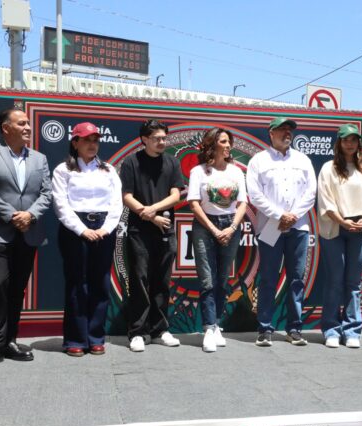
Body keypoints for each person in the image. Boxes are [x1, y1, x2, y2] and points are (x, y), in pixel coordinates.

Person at [0, 108, 52, 370]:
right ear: (6, 128)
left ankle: (10, 341)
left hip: (29, 231)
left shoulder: (39, 158)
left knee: (17, 288)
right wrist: (12, 215)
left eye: (28, 123)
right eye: (21, 123)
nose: (28, 127)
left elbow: (46, 193)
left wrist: (30, 215)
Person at [52, 122, 123, 357]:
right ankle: (75, 339)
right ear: (75, 143)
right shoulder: (63, 170)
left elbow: (116, 202)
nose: (92, 145)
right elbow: (61, 204)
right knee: (77, 283)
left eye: (95, 140)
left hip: (104, 228)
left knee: (100, 283)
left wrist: (106, 228)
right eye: (86, 140)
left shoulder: (108, 170)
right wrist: (82, 230)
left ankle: (95, 337)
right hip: (74, 229)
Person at [246, 117, 317, 347]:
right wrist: (279, 215)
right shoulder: (258, 160)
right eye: (282, 129)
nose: (287, 133)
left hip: (298, 227)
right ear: (271, 133)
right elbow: (255, 195)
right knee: (268, 278)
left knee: (296, 279)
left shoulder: (303, 160)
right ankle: (265, 329)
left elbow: (311, 193)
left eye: (290, 130)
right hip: (269, 228)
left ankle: (294, 329)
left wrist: (292, 215)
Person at [119, 120, 185, 352]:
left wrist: (153, 210)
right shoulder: (131, 162)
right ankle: (138, 332)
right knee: (139, 280)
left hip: (165, 229)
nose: (162, 142)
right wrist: (149, 216)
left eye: (164, 138)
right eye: (157, 138)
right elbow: (126, 196)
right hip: (139, 231)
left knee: (162, 281)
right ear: (144, 139)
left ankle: (160, 330)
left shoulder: (172, 162)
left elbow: (176, 195)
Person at [317, 124, 362, 349]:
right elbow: (325, 200)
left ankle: (352, 330)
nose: (350, 143)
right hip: (335, 229)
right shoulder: (328, 168)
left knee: (353, 283)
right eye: (346, 139)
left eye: (354, 139)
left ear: (359, 143)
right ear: (339, 142)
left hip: (360, 230)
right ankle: (331, 329)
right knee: (335, 280)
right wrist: (343, 221)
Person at [188, 127, 247, 352]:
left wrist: (231, 228)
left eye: (229, 141)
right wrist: (213, 229)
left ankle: (216, 324)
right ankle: (209, 329)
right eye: (223, 141)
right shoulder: (198, 172)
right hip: (205, 226)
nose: (228, 145)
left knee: (222, 280)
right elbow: (194, 204)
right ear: (212, 145)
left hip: (230, 225)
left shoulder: (236, 171)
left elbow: (242, 203)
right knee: (207, 280)